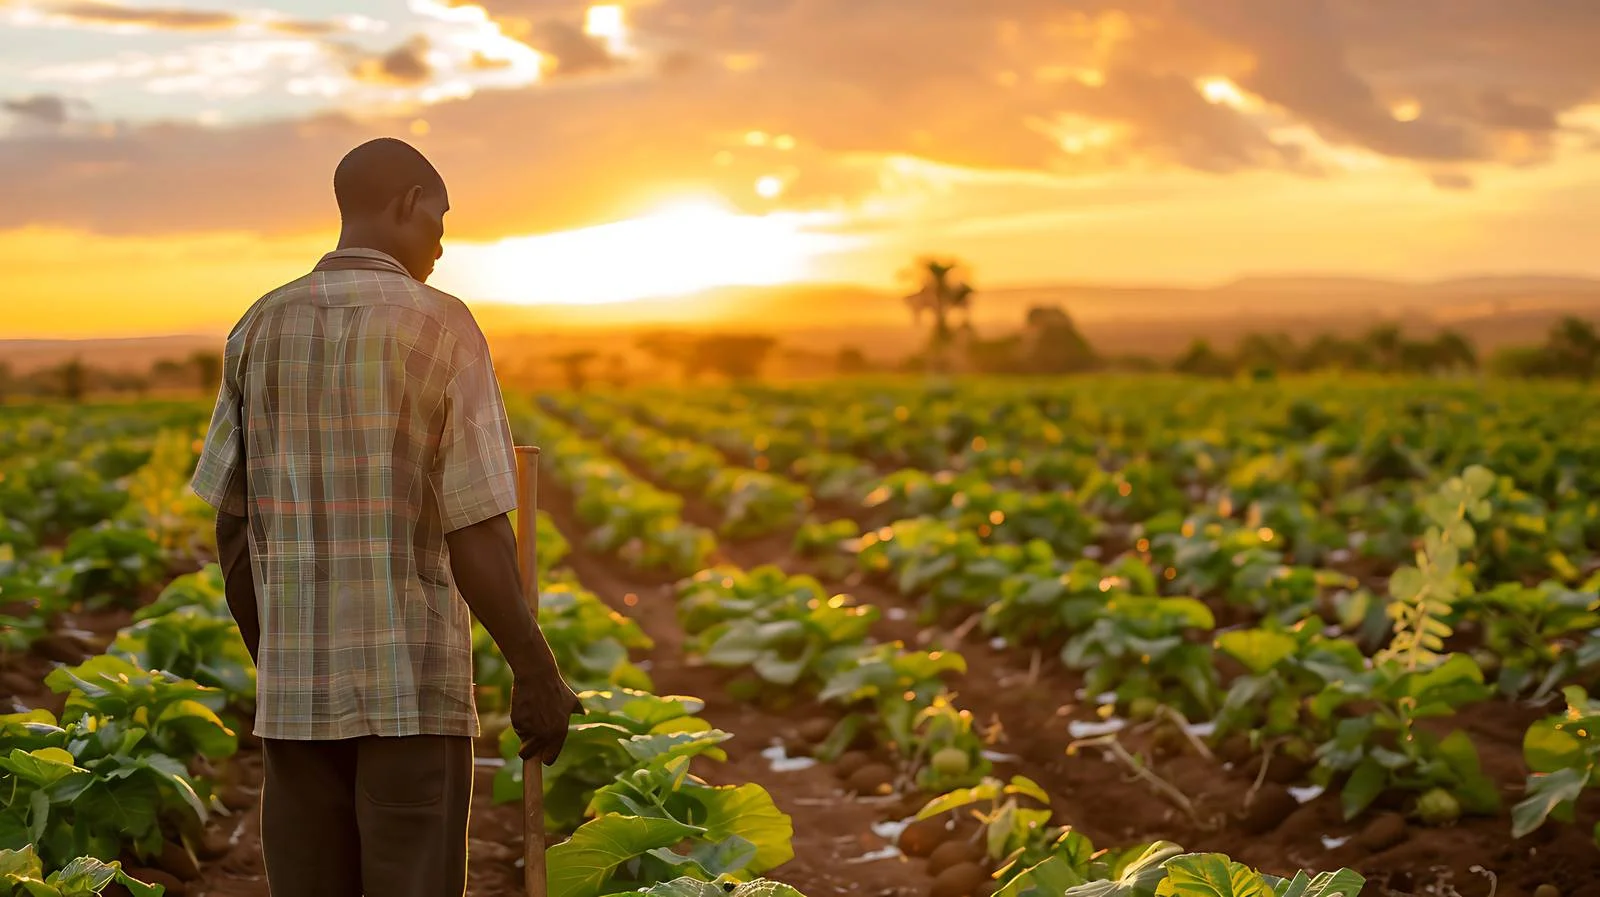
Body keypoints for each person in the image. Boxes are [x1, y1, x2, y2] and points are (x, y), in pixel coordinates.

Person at [190, 136, 581, 897]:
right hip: (413, 694)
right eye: (439, 215)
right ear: (407, 203)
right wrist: (535, 670)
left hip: (296, 704)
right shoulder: (441, 325)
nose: (442, 236)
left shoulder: (258, 326)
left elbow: (233, 526)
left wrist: (277, 660)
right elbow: (474, 526)